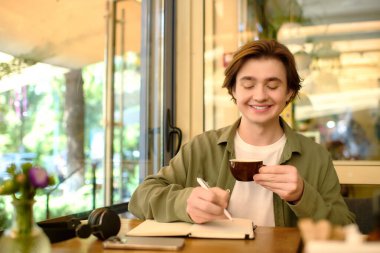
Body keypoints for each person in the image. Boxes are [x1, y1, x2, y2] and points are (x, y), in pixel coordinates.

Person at [128, 39, 355, 227]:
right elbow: (140, 199)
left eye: (273, 86)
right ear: (233, 90)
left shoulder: (315, 156)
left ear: (289, 93)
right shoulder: (202, 147)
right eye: (248, 85)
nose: (259, 96)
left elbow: (345, 228)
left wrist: (302, 195)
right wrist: (185, 202)